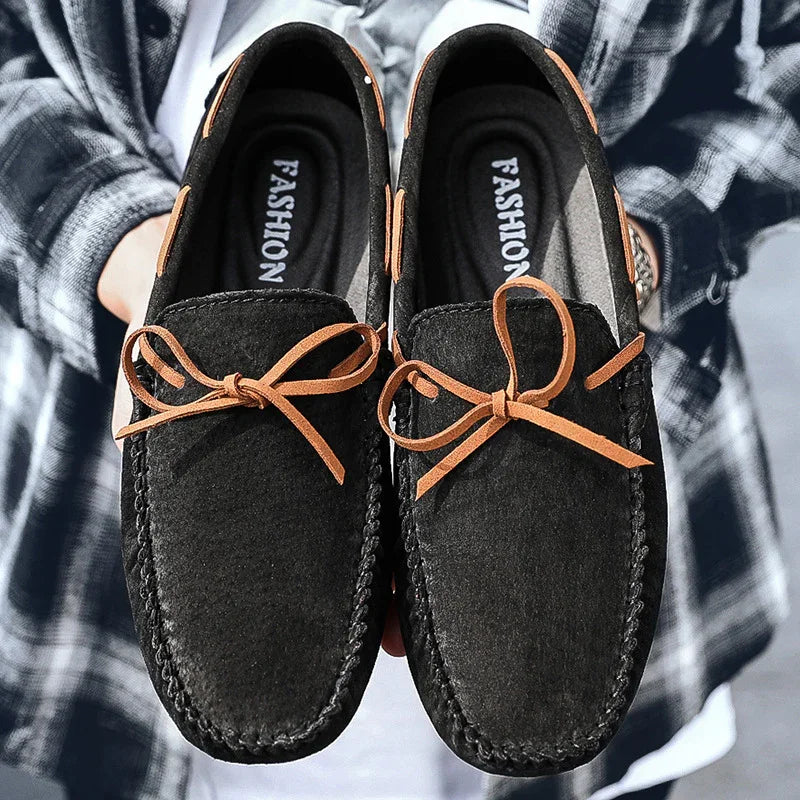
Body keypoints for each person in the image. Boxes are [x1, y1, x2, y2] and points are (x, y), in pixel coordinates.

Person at [0, 1, 797, 798]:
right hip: (108, 501)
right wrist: (124, 248)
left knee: (565, 722)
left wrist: (645, 251)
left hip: (629, 419)